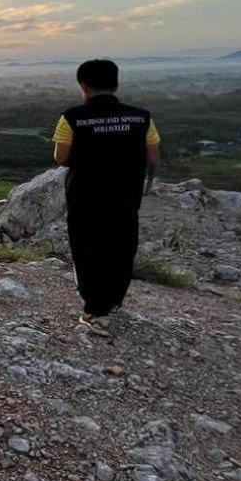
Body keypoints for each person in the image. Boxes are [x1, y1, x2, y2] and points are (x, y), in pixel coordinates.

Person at [52, 58, 161, 338]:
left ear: (83, 86)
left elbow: (61, 157)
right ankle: (112, 301)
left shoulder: (72, 117)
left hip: (86, 197)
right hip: (126, 195)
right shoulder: (141, 117)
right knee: (122, 247)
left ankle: (95, 310)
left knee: (88, 248)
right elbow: (153, 156)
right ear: (116, 84)